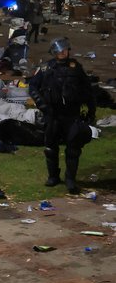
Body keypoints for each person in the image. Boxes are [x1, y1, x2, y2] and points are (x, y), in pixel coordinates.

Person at [28, 38, 96, 195]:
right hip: (52, 114)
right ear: (54, 52)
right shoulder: (46, 68)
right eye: (59, 51)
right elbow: (33, 87)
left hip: (72, 114)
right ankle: (53, 176)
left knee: (73, 148)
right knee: (51, 147)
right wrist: (42, 104)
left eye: (65, 50)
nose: (63, 53)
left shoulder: (76, 68)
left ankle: (70, 179)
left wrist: (91, 111)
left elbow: (87, 90)